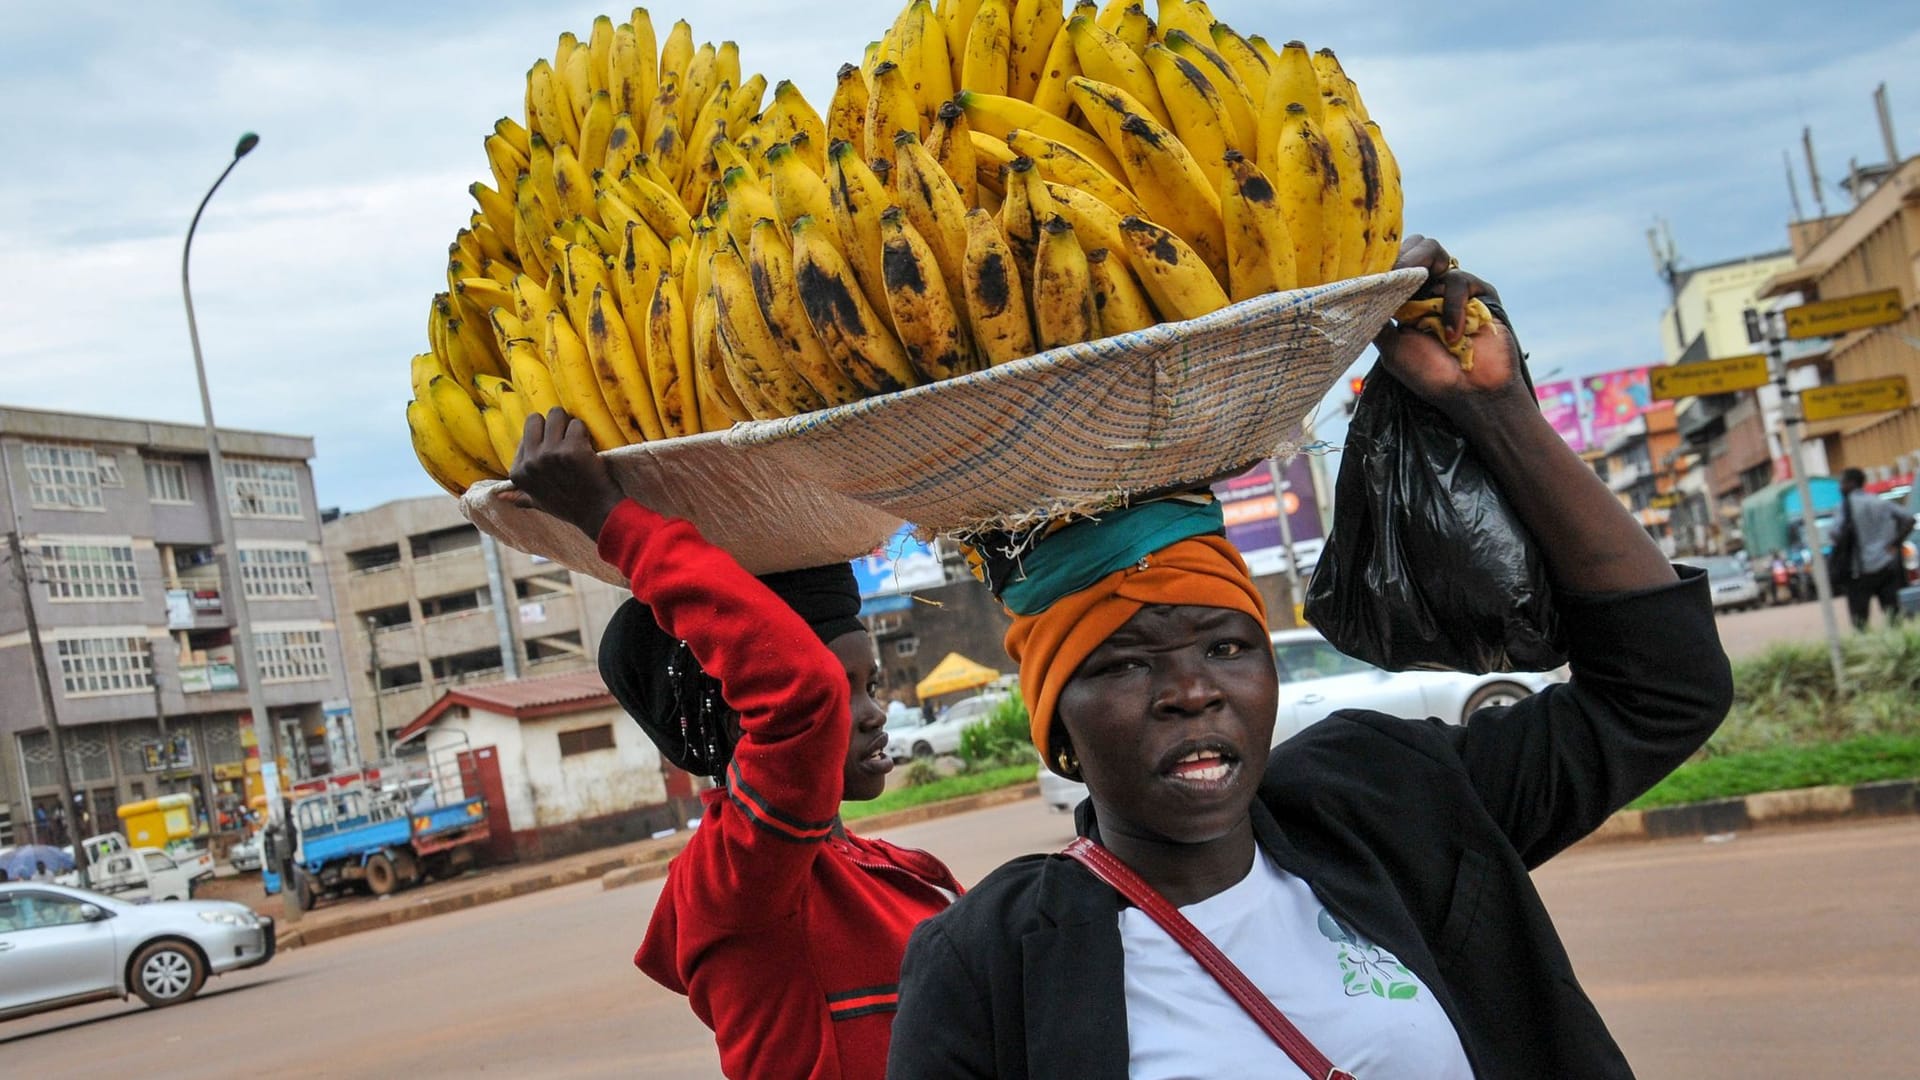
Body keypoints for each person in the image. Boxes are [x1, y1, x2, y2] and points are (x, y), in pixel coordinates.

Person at [887, 238, 1735, 1079]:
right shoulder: (987, 966)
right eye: (1125, 664)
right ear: (1054, 719)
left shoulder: (1388, 802)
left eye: (1226, 648)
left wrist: (1495, 409)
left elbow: (1662, 691)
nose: (1191, 691)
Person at [507, 411, 962, 1080]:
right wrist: (608, 517)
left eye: (871, 685)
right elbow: (802, 697)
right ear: (738, 716)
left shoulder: (906, 871)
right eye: (845, 691)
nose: (870, 713)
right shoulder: (736, 883)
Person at [1833, 467, 1914, 631]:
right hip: (1886, 565)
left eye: (1842, 483)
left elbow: (1835, 533)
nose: (1840, 487)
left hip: (1859, 571)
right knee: (1893, 617)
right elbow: (1909, 520)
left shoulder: (1845, 506)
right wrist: (1894, 544)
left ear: (1851, 483)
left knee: (1860, 622)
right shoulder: (1879, 501)